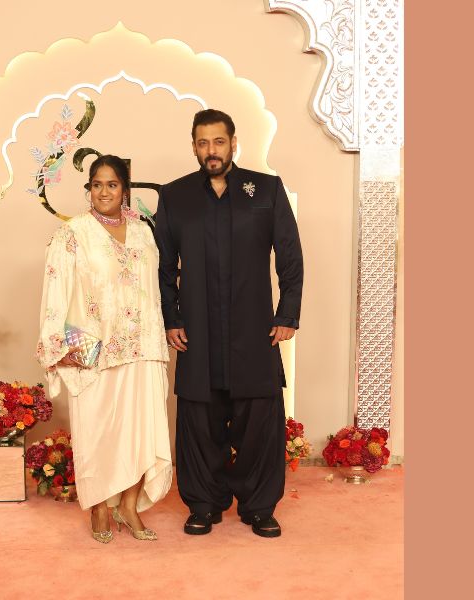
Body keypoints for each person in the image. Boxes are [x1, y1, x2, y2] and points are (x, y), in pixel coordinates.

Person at [153, 109, 303, 538]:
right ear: (194, 146)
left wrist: (287, 314)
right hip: (197, 331)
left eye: (219, 142)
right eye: (203, 143)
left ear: (234, 143)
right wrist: (171, 318)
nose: (211, 151)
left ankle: (259, 506)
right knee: (199, 420)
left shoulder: (266, 190)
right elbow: (164, 266)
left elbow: (290, 256)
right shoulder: (176, 195)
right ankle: (204, 503)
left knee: (259, 420)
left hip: (253, 329)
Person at [36, 155, 172, 543]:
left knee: (141, 429)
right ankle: (99, 506)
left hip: (143, 344)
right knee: (98, 429)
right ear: (89, 190)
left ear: (124, 189)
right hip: (94, 347)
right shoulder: (73, 233)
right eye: (96, 185)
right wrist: (59, 344)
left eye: (112, 184)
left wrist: (159, 335)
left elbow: (154, 289)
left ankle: (128, 507)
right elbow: (55, 290)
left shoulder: (143, 231)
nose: (104, 192)